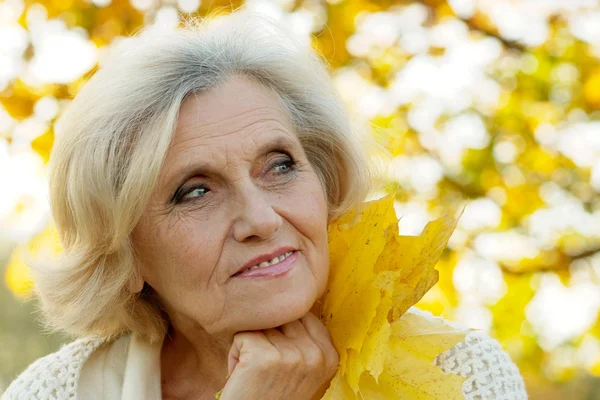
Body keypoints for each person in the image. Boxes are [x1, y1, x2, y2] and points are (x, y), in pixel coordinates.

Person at [3, 10, 527, 400]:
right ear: (126, 255)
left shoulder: (464, 375)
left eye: (279, 165)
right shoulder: (55, 392)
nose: (260, 219)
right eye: (195, 191)